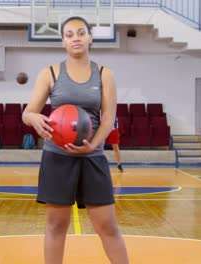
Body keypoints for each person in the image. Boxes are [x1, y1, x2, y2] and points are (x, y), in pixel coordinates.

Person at [22, 16, 129, 264]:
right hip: (57, 157)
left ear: (90, 37)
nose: (76, 38)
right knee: (56, 226)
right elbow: (28, 113)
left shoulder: (104, 74)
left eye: (81, 33)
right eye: (69, 35)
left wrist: (93, 145)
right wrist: (34, 119)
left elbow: (108, 118)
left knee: (108, 226)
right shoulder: (50, 73)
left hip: (92, 157)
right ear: (63, 41)